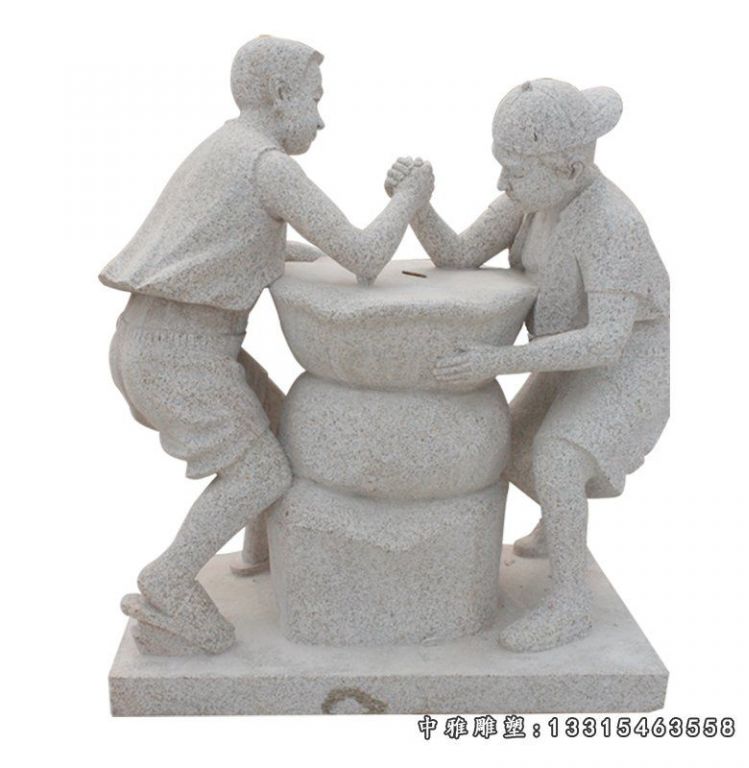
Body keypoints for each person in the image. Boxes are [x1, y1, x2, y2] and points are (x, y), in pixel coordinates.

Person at [101, 36, 433, 654]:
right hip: (181, 354)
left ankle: (261, 552)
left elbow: (222, 235)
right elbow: (365, 256)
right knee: (259, 471)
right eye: (315, 99)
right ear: (281, 94)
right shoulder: (268, 166)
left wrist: (294, 250)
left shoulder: (223, 147)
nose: (321, 118)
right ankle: (169, 580)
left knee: (283, 425)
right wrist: (410, 199)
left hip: (156, 339)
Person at [386, 79, 669, 652]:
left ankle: (570, 604)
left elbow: (607, 342)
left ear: (570, 168)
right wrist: (416, 206)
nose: (501, 182)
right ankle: (561, 524)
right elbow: (459, 255)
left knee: (557, 456)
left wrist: (498, 361)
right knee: (507, 447)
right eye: (502, 165)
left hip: (625, 367)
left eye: (513, 170)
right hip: (565, 359)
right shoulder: (529, 199)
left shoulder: (612, 224)